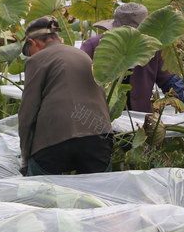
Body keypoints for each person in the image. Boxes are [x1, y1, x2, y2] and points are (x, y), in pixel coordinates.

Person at [18, 16, 113, 177]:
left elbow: (28, 111)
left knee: (39, 189)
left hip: (55, 141)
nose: (30, 55)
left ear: (33, 42)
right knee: (99, 189)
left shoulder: (37, 60)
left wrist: (25, 157)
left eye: (29, 51)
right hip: (98, 137)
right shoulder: (82, 55)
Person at [81, 3, 184, 114]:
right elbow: (77, 81)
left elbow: (170, 81)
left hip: (138, 118)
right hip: (98, 114)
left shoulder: (153, 49)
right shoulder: (93, 46)